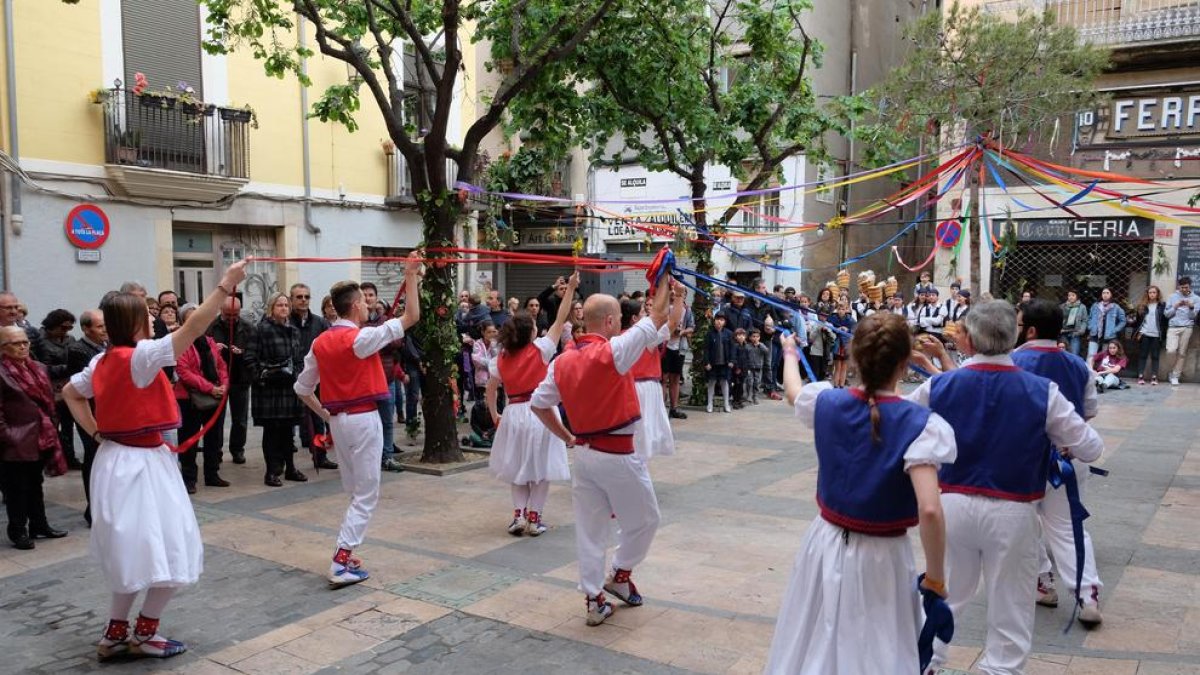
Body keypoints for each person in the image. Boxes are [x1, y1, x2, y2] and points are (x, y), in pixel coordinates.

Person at [63, 260, 248, 661]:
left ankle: (115, 634)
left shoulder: (101, 361)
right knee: (171, 548)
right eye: (145, 314)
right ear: (133, 324)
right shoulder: (141, 357)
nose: (152, 318)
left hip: (115, 461)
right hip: (142, 465)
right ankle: (144, 633)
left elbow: (70, 393)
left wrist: (97, 433)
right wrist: (225, 286)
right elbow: (195, 326)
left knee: (132, 553)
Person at [908, 300, 1104, 675]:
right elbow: (1091, 447)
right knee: (1011, 602)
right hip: (1014, 510)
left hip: (952, 504)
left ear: (968, 340)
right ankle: (1000, 670)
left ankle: (924, 662)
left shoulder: (941, 384)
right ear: (1014, 336)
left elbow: (898, 422)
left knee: (944, 589)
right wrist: (1056, 437)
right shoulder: (1040, 390)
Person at [764, 313, 954, 674]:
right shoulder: (921, 425)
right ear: (903, 363)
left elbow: (793, 392)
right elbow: (930, 509)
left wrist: (789, 353)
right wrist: (936, 578)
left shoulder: (826, 403)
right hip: (883, 555)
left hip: (824, 541)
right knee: (878, 642)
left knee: (813, 634)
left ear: (854, 357)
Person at [528, 272, 677, 626]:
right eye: (619, 321)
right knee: (645, 520)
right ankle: (620, 575)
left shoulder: (563, 360)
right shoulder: (613, 351)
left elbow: (538, 403)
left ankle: (595, 597)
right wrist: (665, 279)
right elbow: (656, 317)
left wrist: (566, 436)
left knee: (591, 529)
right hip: (618, 455)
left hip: (584, 454)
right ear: (610, 321)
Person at [293, 254, 421, 589]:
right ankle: (340, 558)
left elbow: (302, 388)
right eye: (364, 302)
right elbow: (412, 316)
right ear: (354, 307)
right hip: (363, 421)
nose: (369, 307)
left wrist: (326, 413)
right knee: (366, 494)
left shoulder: (320, 342)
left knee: (355, 492)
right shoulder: (361, 339)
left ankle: (345, 555)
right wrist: (410, 275)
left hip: (339, 422)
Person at [1011, 300, 1104, 627]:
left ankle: (1043, 582)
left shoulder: (1012, 362)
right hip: (1069, 457)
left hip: (1022, 460)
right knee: (1068, 528)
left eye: (1020, 324)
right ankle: (1087, 593)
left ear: (1030, 330)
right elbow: (1089, 411)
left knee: (1023, 524)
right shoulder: (1079, 364)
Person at [486, 273, 579, 536]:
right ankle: (534, 519)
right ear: (531, 332)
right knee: (541, 468)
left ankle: (518, 516)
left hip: (514, 413)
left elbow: (490, 391)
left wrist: (495, 415)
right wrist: (570, 288)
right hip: (540, 412)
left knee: (518, 468)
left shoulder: (501, 358)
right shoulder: (541, 349)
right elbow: (561, 319)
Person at [0, 325, 68, 550]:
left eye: (25, 342)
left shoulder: (38, 367)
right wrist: (8, 436)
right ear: (3, 348)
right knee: (16, 489)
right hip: (15, 439)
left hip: (41, 435)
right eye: (15, 343)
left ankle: (40, 525)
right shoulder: (2, 372)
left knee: (35, 484)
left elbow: (48, 400)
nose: (22, 346)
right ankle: (18, 530)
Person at [250, 293, 307, 486]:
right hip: (270, 390)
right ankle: (271, 472)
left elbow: (299, 358)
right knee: (272, 433)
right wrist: (265, 375)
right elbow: (250, 359)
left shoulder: (294, 330)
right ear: (271, 308)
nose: (283, 308)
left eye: (286, 305)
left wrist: (298, 375)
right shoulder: (261, 330)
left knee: (288, 432)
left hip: (290, 388)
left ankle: (290, 468)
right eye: (279, 305)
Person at [174, 304, 230, 493]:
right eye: (192, 319)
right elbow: (184, 372)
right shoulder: (180, 343)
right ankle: (189, 478)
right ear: (183, 322)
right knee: (189, 439)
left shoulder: (209, 341)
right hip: (189, 398)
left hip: (214, 396)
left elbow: (221, 365)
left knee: (214, 437)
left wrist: (223, 385)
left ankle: (212, 474)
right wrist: (210, 388)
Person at [622, 293, 679, 459]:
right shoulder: (645, 337)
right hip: (644, 388)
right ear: (634, 318)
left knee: (635, 432)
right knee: (643, 434)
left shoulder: (618, 336)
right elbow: (673, 322)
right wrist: (679, 296)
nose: (645, 315)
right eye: (642, 313)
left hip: (628, 387)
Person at [289, 283, 335, 470]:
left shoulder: (320, 323)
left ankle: (320, 456)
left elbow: (329, 347)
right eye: (299, 297)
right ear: (291, 300)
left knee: (318, 417)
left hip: (317, 378)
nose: (303, 300)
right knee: (292, 419)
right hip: (291, 377)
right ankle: (288, 460)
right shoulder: (286, 322)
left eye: (306, 297)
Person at [68, 309, 107, 525]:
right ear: (85, 328)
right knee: (93, 459)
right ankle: (93, 508)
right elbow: (81, 389)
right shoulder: (78, 350)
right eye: (100, 327)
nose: (105, 330)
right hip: (89, 414)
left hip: (105, 412)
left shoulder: (106, 347)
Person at [209, 295, 255, 464]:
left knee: (240, 419)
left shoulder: (248, 328)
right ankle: (217, 450)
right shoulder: (211, 327)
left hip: (240, 377)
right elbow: (203, 351)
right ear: (221, 310)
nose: (231, 318)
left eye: (235, 314)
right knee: (217, 418)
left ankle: (237, 449)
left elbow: (253, 351)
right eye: (228, 314)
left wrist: (242, 353)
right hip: (218, 379)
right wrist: (214, 350)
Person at [35, 309, 80, 470]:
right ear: (52, 326)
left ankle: (70, 458)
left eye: (69, 328)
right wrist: (66, 368)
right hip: (50, 387)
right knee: (51, 426)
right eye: (63, 327)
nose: (66, 331)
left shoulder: (70, 340)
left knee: (69, 424)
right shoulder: (40, 340)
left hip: (68, 386)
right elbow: (41, 366)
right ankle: (52, 460)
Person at [661, 286, 693, 419]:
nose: (678, 296)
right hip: (665, 347)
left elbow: (691, 327)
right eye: (675, 293)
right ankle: (661, 408)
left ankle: (674, 408)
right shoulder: (664, 309)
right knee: (663, 378)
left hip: (679, 347)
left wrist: (682, 332)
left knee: (675, 379)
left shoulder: (687, 310)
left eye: (682, 293)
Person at [1164, 276, 1199, 385]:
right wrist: (1175, 306)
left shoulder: (1196, 299)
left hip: (1187, 327)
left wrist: (1191, 307)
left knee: (1182, 353)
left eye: (1186, 287)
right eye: (1182, 287)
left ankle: (1175, 375)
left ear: (1190, 286)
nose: (1184, 289)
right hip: (1173, 327)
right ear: (1179, 286)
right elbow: (1166, 314)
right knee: (1170, 351)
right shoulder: (1172, 297)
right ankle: (1171, 371)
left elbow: (1193, 317)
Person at [1132, 285, 1166, 386]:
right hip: (1145, 334)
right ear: (1147, 294)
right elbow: (1138, 322)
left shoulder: (1162, 305)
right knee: (1143, 355)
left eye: (1154, 292)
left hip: (1156, 334)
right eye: (1150, 292)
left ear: (1157, 294)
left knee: (1155, 356)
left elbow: (1164, 321)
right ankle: (1141, 376)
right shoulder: (1142, 306)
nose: (1152, 294)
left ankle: (1154, 377)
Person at [704, 313, 733, 413]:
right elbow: (706, 349)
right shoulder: (709, 333)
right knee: (711, 382)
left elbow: (732, 349)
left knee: (724, 383)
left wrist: (731, 360)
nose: (719, 321)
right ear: (714, 321)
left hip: (725, 363)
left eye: (721, 320)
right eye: (717, 319)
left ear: (724, 322)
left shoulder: (729, 334)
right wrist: (707, 362)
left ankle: (726, 404)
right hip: (712, 364)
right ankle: (709, 404)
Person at [1086, 288, 1126, 360]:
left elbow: (1123, 321)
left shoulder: (1116, 307)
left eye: (1107, 293)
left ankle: (1104, 371)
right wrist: (1090, 326)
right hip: (1095, 334)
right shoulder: (1095, 306)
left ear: (1111, 295)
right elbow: (1089, 317)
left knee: (1106, 356)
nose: (1105, 295)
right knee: (1091, 354)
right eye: (1103, 293)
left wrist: (1115, 330)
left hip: (1109, 335)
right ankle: (1089, 370)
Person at [828, 299, 856, 388]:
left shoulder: (850, 319)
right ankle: (835, 385)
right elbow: (830, 327)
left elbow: (855, 330)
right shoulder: (833, 318)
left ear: (846, 309)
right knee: (837, 367)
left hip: (846, 345)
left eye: (843, 309)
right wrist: (837, 330)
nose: (841, 311)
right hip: (837, 345)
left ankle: (842, 385)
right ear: (837, 309)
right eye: (839, 309)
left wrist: (847, 330)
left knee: (844, 368)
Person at [1060, 290, 1088, 358]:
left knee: (1074, 354)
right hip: (1064, 333)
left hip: (1075, 333)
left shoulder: (1082, 307)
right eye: (1069, 295)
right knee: (1063, 354)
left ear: (1077, 296)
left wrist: (1081, 330)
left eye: (1073, 295)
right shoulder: (1062, 306)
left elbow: (1085, 320)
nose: (1071, 297)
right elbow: (1058, 318)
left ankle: (1073, 368)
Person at [745, 329, 769, 405]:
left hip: (758, 368)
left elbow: (766, 351)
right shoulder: (747, 346)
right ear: (750, 337)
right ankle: (749, 395)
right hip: (749, 367)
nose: (755, 338)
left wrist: (760, 345)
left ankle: (755, 396)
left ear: (759, 337)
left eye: (757, 337)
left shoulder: (761, 345)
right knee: (749, 382)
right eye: (753, 336)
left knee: (757, 383)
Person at [730, 327, 751, 409]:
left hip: (744, 369)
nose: (741, 337)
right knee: (736, 385)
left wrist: (748, 368)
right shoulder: (735, 346)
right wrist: (736, 368)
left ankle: (739, 400)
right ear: (735, 337)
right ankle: (735, 401)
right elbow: (734, 358)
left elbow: (748, 358)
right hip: (737, 370)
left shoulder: (746, 346)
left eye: (743, 335)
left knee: (741, 386)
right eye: (739, 335)